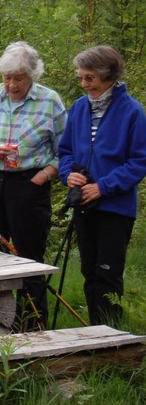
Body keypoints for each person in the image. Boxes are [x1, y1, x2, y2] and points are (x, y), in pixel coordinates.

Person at [0, 41, 67, 328]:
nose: (11, 84)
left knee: (29, 254)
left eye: (18, 78)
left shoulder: (50, 101)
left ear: (32, 76)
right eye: (7, 77)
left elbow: (66, 150)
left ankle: (34, 325)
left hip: (29, 184)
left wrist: (44, 176)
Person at [58, 45, 146, 326]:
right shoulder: (79, 107)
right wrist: (68, 175)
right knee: (89, 270)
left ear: (109, 76)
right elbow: (66, 151)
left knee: (107, 273)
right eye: (81, 77)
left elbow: (139, 162)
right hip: (83, 203)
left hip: (115, 207)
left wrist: (103, 187)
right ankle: (96, 334)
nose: (84, 84)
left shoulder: (133, 112)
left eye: (90, 78)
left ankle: (111, 338)